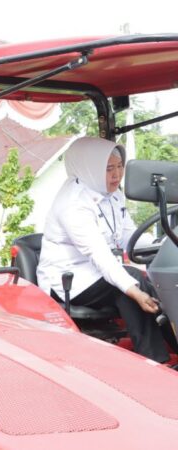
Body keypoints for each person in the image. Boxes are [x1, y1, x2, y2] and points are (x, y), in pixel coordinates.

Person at [37, 137, 169, 363]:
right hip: (70, 279)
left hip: (98, 272)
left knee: (154, 280)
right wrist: (134, 290)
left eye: (120, 167)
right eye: (109, 169)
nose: (117, 175)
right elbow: (99, 254)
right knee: (130, 285)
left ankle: (170, 344)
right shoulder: (73, 204)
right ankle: (156, 361)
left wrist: (165, 243)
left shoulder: (113, 195)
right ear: (90, 167)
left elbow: (131, 237)